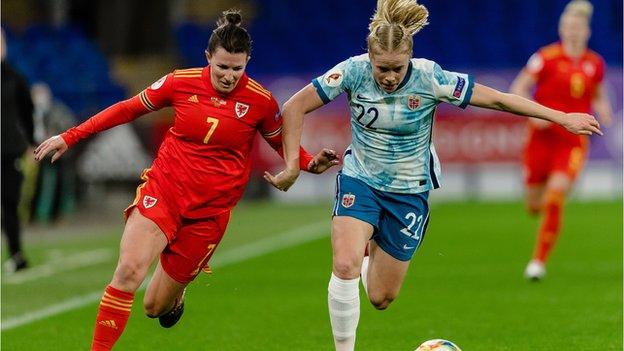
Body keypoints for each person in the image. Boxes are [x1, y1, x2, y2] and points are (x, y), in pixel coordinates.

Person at [263, 1, 602, 350]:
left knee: (381, 297)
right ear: (369, 57)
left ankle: (370, 254)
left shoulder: (430, 78)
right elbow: (294, 106)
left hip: (410, 192)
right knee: (345, 264)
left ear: (410, 57)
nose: (389, 77)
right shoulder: (352, 71)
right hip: (360, 179)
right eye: (382, 69)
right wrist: (293, 165)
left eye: (397, 68)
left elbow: (499, 100)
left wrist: (561, 117)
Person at [34, 10, 338, 351]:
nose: (228, 76)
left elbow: (282, 143)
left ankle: (175, 298)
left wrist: (312, 163)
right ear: (208, 57)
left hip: (210, 214)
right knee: (128, 271)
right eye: (222, 67)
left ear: (247, 63)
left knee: (154, 307)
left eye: (237, 69)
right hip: (165, 191)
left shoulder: (260, 102)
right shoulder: (180, 81)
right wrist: (71, 136)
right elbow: (128, 109)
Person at [509, 0, 613, 281]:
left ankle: (537, 262)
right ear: (561, 29)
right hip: (541, 137)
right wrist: (533, 115)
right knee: (533, 205)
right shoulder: (546, 57)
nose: (572, 32)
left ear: (587, 31)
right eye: (568, 27)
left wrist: (603, 108)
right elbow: (518, 87)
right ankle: (549, 215)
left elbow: (598, 93)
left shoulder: (594, 64)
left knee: (555, 196)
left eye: (577, 27)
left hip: (573, 140)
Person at [1, 28, 34, 273]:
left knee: (9, 203)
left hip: (9, 150)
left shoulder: (15, 78)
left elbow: (27, 113)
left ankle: (16, 253)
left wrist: (32, 143)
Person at [31, 82, 77, 223]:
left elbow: (69, 126)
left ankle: (59, 214)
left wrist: (56, 135)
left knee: (59, 184)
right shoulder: (31, 113)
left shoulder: (58, 111)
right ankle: (39, 214)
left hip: (58, 154)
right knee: (42, 185)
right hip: (38, 155)